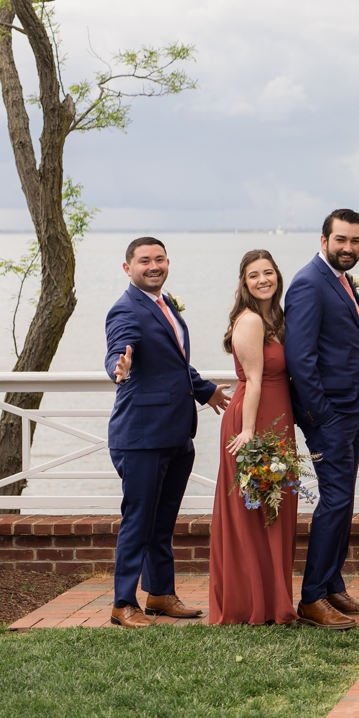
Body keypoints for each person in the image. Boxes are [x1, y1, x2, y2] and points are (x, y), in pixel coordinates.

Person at [104, 237, 228, 628]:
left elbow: (172, 363)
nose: (153, 266)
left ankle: (159, 593)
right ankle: (123, 603)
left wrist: (205, 390)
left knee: (162, 522)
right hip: (141, 436)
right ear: (128, 268)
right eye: (144, 261)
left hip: (176, 434)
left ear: (168, 262)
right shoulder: (125, 309)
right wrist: (117, 367)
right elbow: (120, 348)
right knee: (138, 520)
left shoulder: (165, 305)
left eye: (159, 259)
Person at [285, 209, 359, 630]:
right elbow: (300, 360)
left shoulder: (339, 281)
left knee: (344, 502)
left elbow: (352, 328)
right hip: (329, 415)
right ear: (323, 240)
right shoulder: (308, 283)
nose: (348, 248)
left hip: (351, 409)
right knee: (335, 501)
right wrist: (321, 418)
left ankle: (334, 584)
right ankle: (311, 598)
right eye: (341, 240)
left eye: (355, 241)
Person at [209, 251, 300, 625]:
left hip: (277, 418)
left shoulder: (274, 317)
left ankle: (274, 598)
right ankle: (253, 603)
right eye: (253, 275)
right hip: (254, 420)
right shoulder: (250, 321)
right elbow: (256, 380)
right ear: (243, 283)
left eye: (268, 272)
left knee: (276, 508)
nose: (263, 280)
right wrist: (249, 431)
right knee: (256, 509)